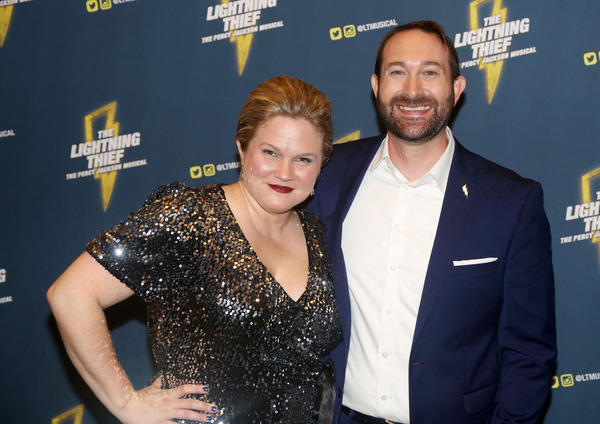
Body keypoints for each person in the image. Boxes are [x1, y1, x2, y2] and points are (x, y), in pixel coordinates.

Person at [47, 76, 342, 424]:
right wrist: (127, 403)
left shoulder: (318, 234)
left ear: (321, 163)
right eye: (270, 152)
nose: (284, 172)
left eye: (303, 159)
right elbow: (71, 295)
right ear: (242, 149)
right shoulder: (191, 217)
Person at [309, 20, 556, 424]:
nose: (412, 89)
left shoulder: (512, 202)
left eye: (430, 72)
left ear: (456, 89)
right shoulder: (327, 174)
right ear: (376, 86)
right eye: (397, 72)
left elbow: (529, 354)